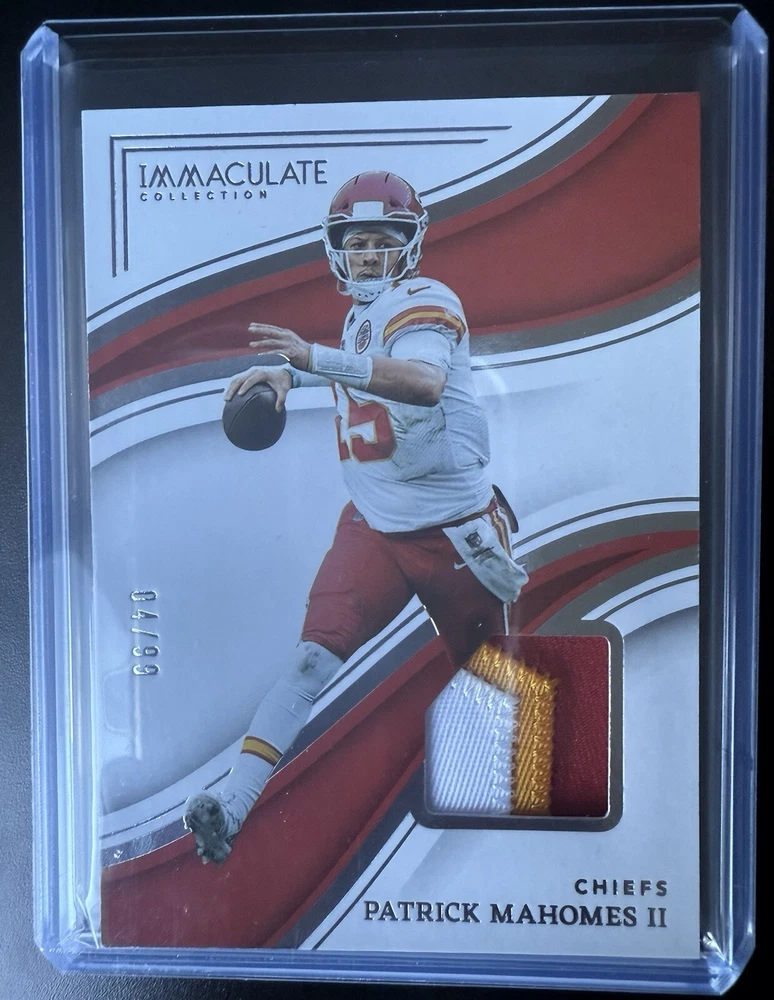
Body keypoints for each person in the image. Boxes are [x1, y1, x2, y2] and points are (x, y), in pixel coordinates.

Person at [184, 171, 528, 864]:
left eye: (382, 240)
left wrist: (310, 357)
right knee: (312, 657)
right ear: (338, 249)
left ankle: (518, 830)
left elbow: (423, 382)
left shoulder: (426, 301)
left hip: (453, 535)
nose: (368, 255)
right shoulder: (365, 314)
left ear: (410, 244)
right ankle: (233, 802)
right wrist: (291, 375)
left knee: (494, 688)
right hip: (373, 524)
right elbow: (361, 366)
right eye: (357, 242)